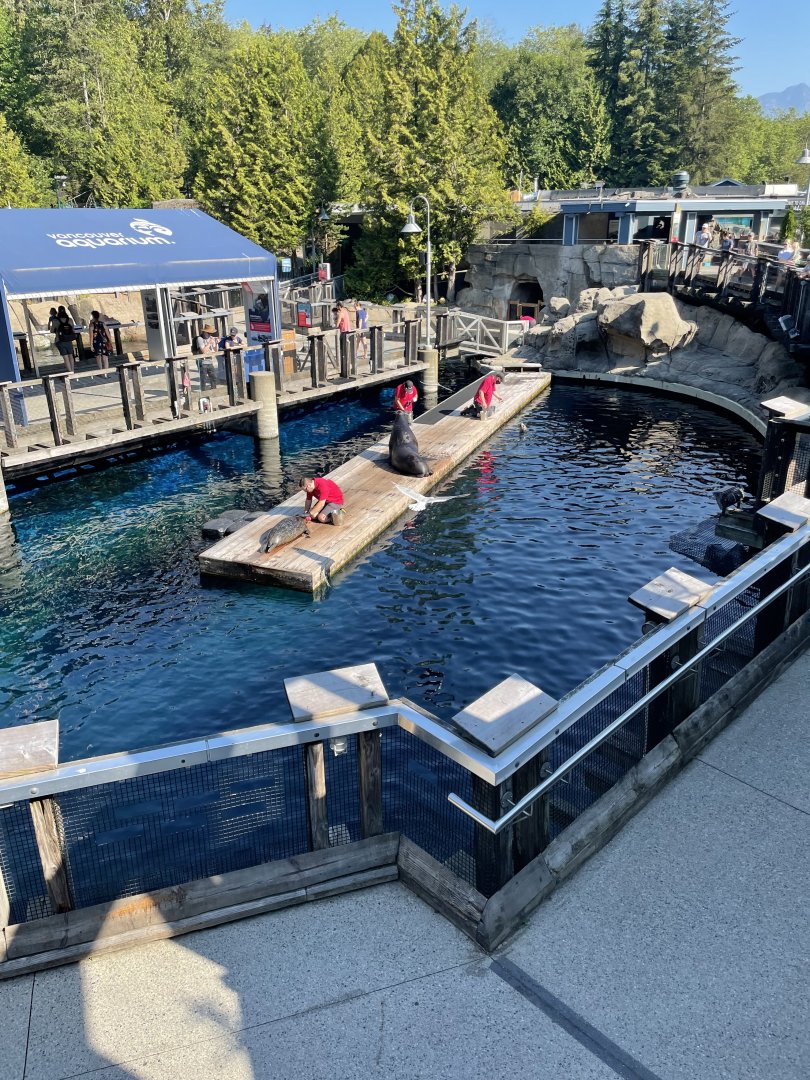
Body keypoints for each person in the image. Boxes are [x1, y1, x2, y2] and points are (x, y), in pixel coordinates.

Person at [195, 324, 218, 390]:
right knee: (203, 378)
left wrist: (215, 343)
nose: (210, 335)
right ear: (205, 332)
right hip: (202, 361)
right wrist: (209, 343)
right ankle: (203, 391)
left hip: (209, 361)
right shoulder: (200, 339)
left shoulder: (210, 338)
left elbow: (215, 351)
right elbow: (204, 351)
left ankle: (214, 389)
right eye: (209, 333)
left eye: (211, 333)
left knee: (213, 376)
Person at [54, 305, 77, 373]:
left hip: (60, 340)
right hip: (69, 340)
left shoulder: (55, 320)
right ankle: (72, 370)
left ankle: (69, 372)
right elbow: (73, 329)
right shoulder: (70, 320)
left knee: (65, 357)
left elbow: (52, 330)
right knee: (71, 356)